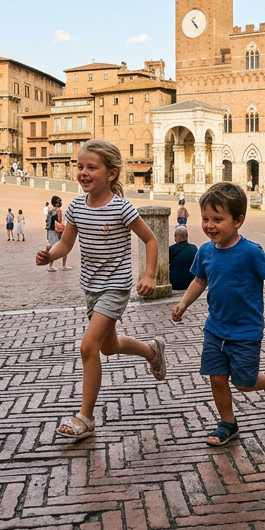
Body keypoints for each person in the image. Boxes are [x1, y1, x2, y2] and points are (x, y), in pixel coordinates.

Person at [38, 140, 165, 441]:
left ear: (111, 173)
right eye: (80, 167)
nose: (83, 173)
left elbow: (151, 240)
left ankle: (85, 417)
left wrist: (149, 274)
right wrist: (50, 255)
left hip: (115, 287)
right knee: (108, 346)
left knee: (88, 346)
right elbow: (66, 244)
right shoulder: (77, 207)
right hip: (91, 287)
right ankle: (151, 351)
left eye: (91, 167)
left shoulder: (122, 207)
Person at [171, 182, 265, 446]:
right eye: (205, 219)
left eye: (218, 219)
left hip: (245, 331)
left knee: (244, 382)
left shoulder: (251, 252)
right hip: (215, 329)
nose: (210, 225)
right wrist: (184, 304)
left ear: (238, 221)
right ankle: (228, 423)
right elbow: (199, 281)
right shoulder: (205, 251)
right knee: (217, 378)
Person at [168, 225, 197, 291]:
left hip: (175, 283)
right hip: (191, 282)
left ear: (177, 237)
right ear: (186, 236)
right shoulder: (194, 248)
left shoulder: (171, 249)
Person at [44, 196, 68, 271]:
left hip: (50, 230)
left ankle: (50, 266)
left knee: (50, 247)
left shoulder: (49, 210)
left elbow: (47, 219)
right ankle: (64, 265)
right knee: (65, 246)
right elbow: (60, 220)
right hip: (57, 230)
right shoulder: (58, 210)